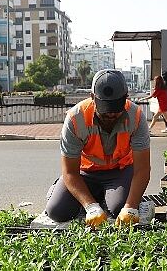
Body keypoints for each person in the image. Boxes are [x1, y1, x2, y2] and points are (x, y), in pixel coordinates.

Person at [44, 69, 151, 227]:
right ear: (93, 97)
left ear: (126, 97)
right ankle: (88, 197)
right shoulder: (75, 118)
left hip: (120, 171)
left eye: (116, 111)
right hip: (85, 173)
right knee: (57, 211)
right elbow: (70, 172)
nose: (111, 116)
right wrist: (91, 207)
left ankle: (109, 197)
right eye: (105, 111)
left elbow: (142, 169)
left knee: (119, 208)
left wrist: (131, 207)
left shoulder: (136, 116)